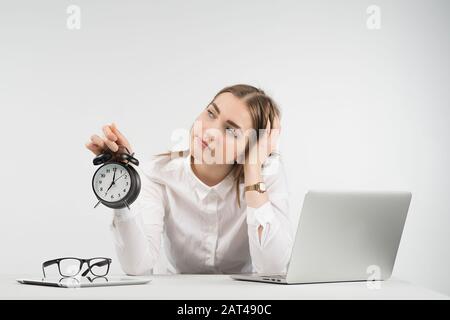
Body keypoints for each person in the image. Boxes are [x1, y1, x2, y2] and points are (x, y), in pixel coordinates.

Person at [85, 84, 294, 275]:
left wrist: (252, 169)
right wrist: (124, 185)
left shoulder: (265, 176)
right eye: (211, 113)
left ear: (250, 147)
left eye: (231, 130)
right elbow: (137, 267)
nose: (209, 131)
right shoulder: (159, 174)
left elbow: (273, 268)